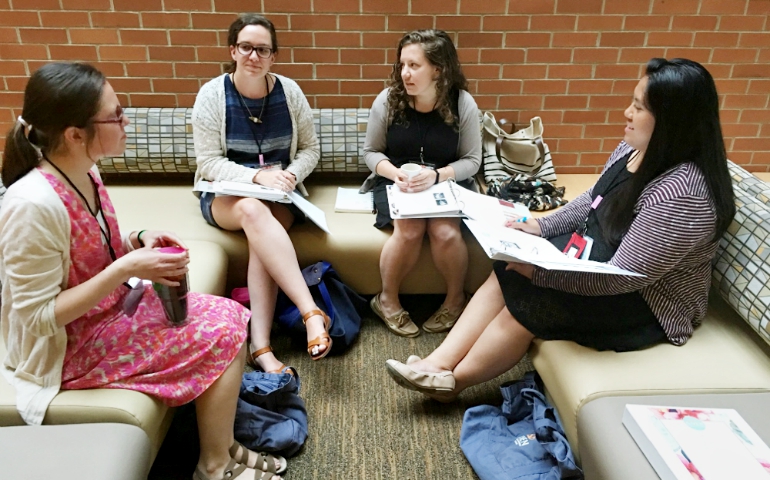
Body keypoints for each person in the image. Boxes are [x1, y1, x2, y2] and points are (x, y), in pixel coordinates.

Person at [384, 58, 736, 402]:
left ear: (672, 121)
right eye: (633, 101)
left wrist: (542, 275)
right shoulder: (634, 149)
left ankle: (452, 382)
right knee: (508, 265)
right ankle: (436, 363)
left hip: (647, 303)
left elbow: (626, 277)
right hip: (600, 257)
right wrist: (538, 225)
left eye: (639, 107)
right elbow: (592, 201)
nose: (628, 113)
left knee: (530, 301)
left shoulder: (681, 193)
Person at [0, 62, 288, 480]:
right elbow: (36, 318)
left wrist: (137, 239)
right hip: (68, 350)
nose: (126, 121)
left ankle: (222, 448)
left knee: (229, 315)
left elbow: (89, 246)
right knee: (222, 333)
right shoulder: (32, 205)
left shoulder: (85, 169)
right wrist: (127, 267)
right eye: (115, 115)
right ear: (74, 134)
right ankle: (214, 466)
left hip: (107, 315)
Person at [192, 14, 330, 368]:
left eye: (263, 50)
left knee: (261, 234)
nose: (254, 56)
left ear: (273, 56)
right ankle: (310, 311)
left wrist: (289, 175)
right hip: (227, 195)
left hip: (281, 194)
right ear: (233, 51)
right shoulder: (212, 95)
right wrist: (256, 179)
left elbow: (310, 150)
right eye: (246, 47)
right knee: (254, 210)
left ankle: (261, 347)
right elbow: (208, 162)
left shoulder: (290, 92)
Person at [363, 29, 482, 337]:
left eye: (414, 66)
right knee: (410, 229)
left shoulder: (462, 103)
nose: (405, 73)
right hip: (396, 182)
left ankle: (455, 300)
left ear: (438, 69)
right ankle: (386, 300)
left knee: (444, 231)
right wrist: (394, 172)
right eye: (402, 65)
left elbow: (472, 161)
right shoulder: (388, 100)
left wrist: (437, 175)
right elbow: (371, 152)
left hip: (445, 183)